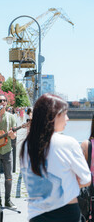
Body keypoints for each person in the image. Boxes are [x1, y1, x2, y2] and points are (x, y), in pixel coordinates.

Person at [20, 93, 91, 222]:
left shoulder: (26, 145)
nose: (68, 119)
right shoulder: (68, 143)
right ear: (53, 116)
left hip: (36, 213)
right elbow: (86, 179)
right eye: (65, 114)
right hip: (66, 212)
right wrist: (67, 182)